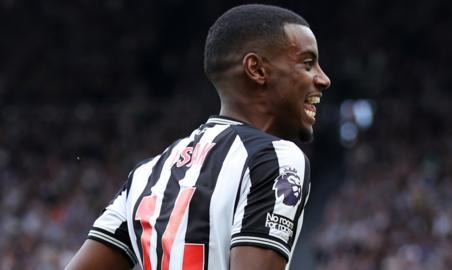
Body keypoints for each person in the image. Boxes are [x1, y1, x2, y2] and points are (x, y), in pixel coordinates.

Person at [65, 4, 330, 270]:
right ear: (257, 70)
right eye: (308, 64)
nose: (324, 79)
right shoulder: (276, 158)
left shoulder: (147, 174)